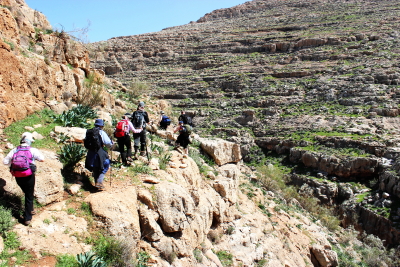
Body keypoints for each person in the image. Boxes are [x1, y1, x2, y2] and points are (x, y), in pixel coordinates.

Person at [3, 132, 44, 226]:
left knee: (27, 193)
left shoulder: (14, 150)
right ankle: (27, 218)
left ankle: (31, 209)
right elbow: (42, 159)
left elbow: (5, 161)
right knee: (29, 195)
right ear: (29, 141)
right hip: (29, 175)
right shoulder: (32, 150)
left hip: (17, 175)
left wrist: (13, 165)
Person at [85, 119, 113, 190]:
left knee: (95, 168)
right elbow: (107, 142)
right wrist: (111, 145)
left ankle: (96, 184)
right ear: (101, 125)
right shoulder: (101, 132)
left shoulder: (89, 132)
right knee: (105, 165)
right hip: (99, 152)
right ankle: (99, 181)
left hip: (90, 153)